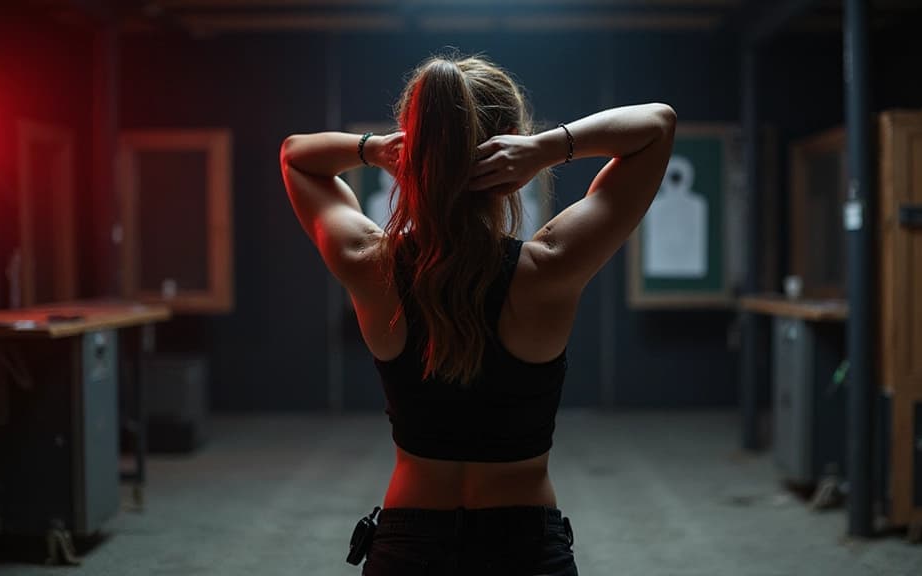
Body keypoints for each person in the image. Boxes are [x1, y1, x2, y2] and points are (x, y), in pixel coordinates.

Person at [281, 53, 675, 575]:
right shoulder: (548, 269)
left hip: (408, 547)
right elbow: (656, 125)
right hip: (524, 549)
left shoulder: (368, 264)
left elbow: (295, 156)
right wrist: (547, 149)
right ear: (510, 142)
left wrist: (375, 150)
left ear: (414, 151)